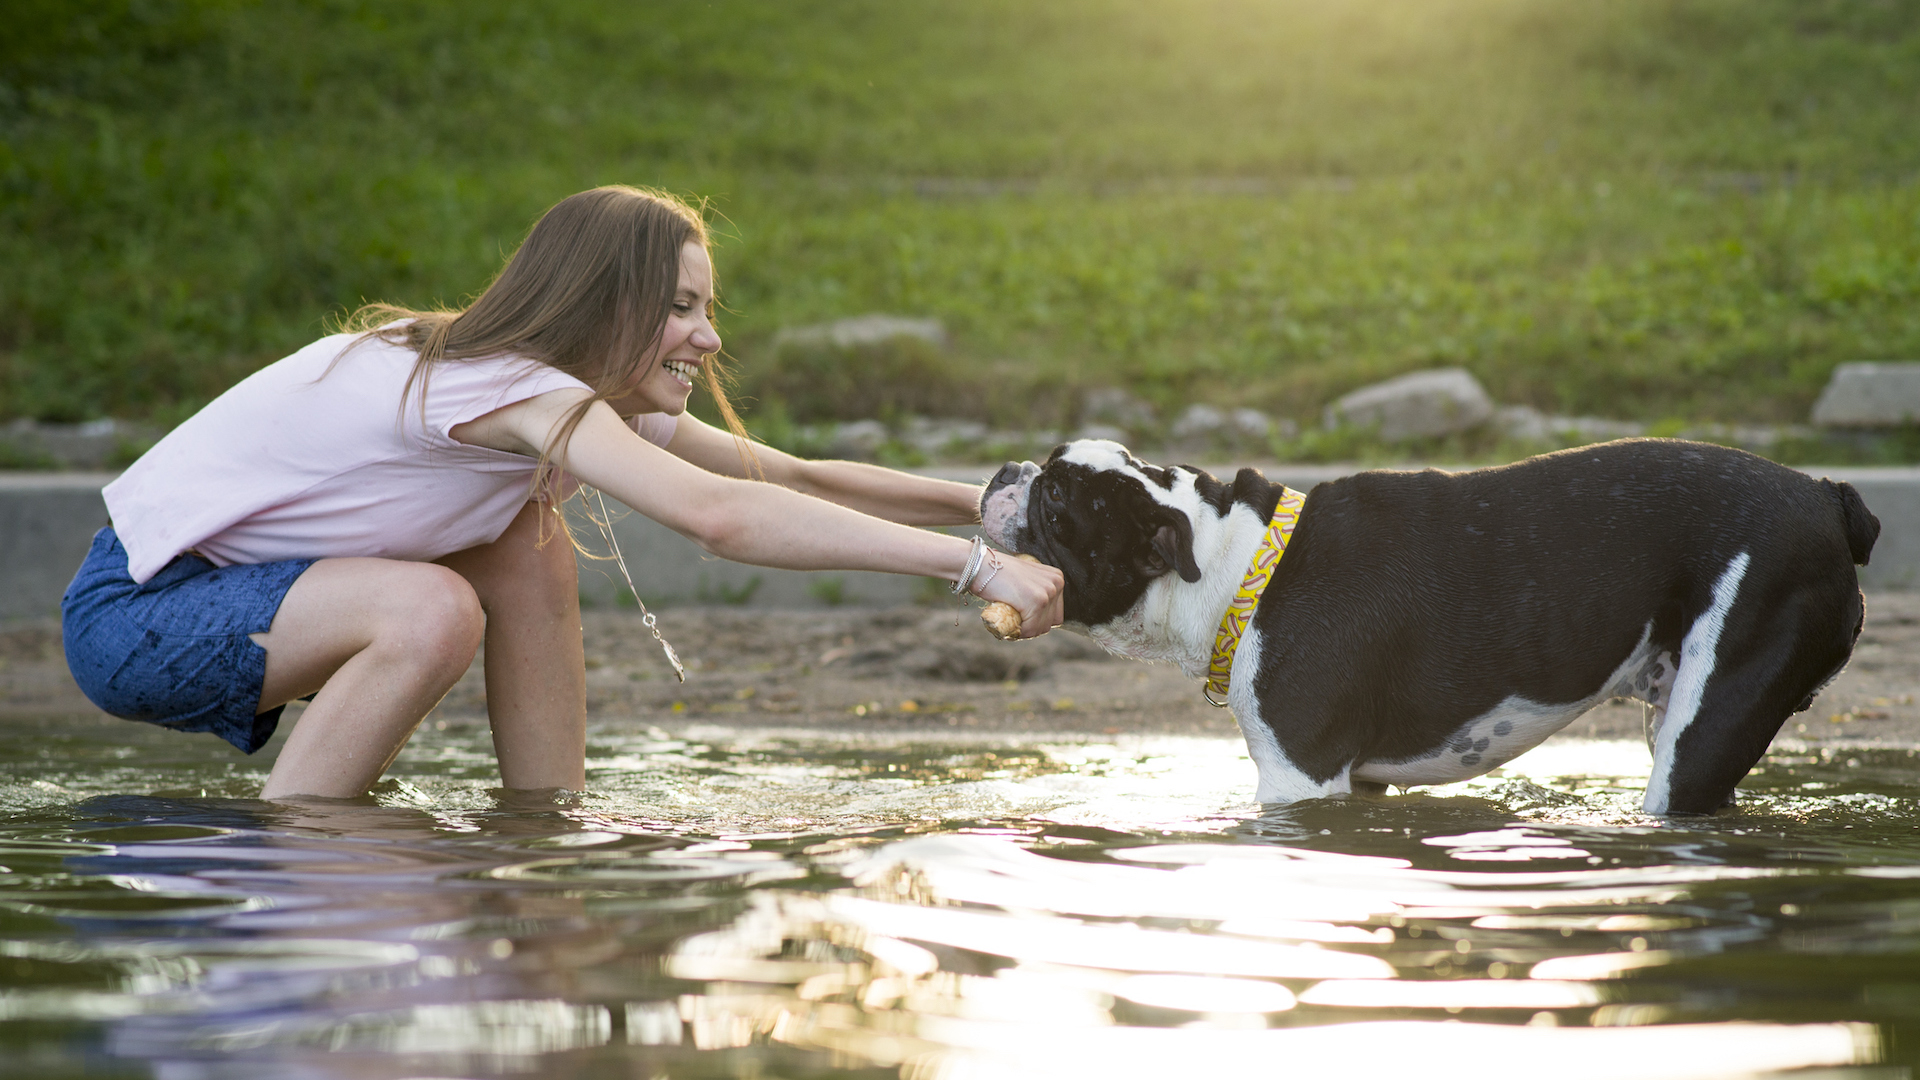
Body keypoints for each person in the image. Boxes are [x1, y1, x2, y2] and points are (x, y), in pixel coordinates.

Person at [61, 185, 1065, 800]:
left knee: (527, 531)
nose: (707, 338)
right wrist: (973, 569)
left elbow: (783, 476)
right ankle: (301, 842)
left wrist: (995, 505)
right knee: (431, 606)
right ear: (602, 304)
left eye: (708, 309)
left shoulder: (565, 395)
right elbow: (718, 520)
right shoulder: (508, 388)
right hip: (140, 609)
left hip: (258, 593)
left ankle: (545, 819)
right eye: (680, 309)